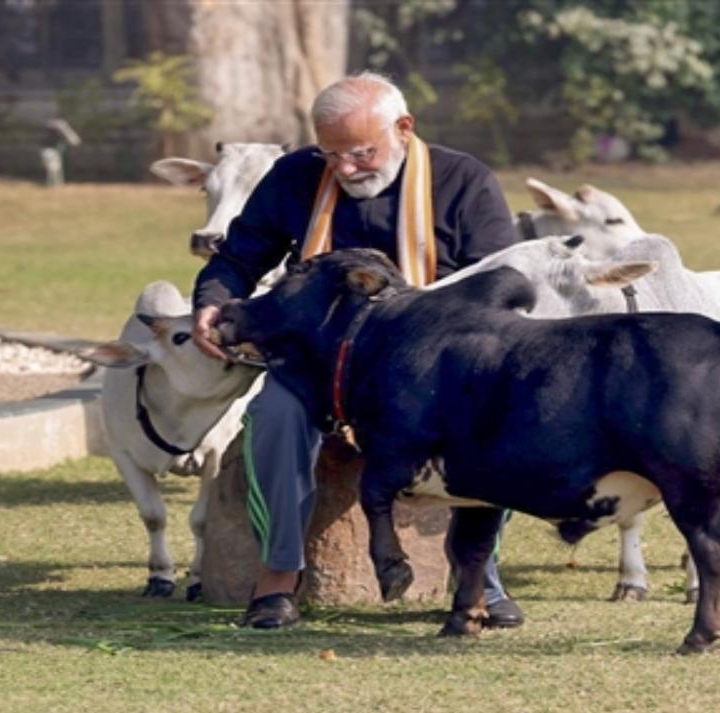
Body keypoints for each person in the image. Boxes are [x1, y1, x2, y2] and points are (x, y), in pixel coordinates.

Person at [192, 72, 524, 630]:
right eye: (332, 154)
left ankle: (479, 575)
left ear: (404, 128)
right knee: (273, 414)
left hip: (434, 367)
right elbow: (237, 259)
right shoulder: (296, 176)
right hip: (318, 363)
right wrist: (212, 302)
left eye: (361, 153)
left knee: (498, 419)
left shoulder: (463, 180)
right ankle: (279, 575)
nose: (345, 169)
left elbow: (502, 284)